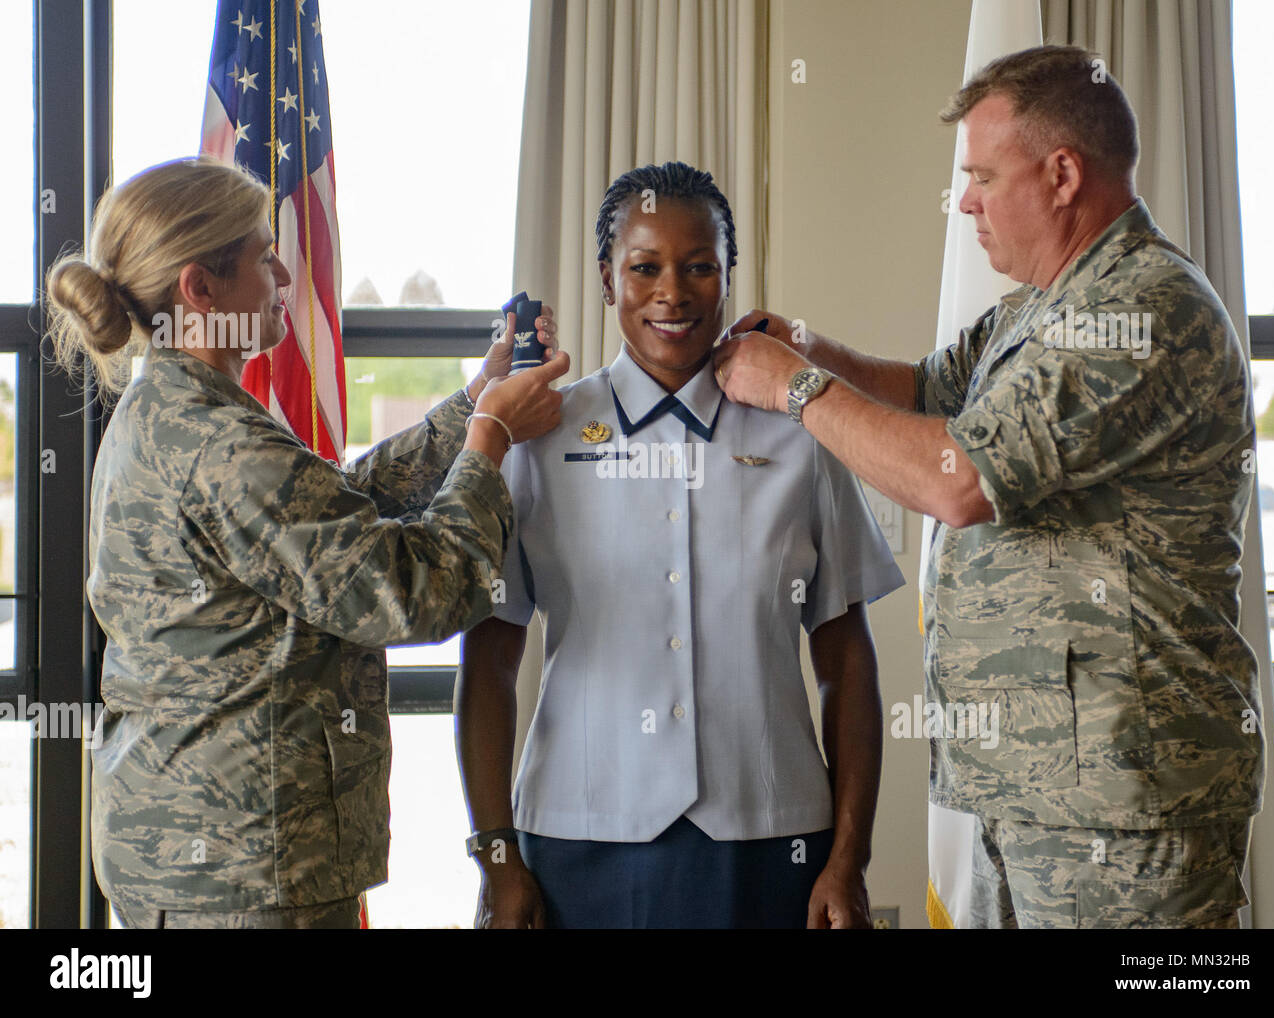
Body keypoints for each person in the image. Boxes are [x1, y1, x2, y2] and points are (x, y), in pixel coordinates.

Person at [713, 45, 1263, 928]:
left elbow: (958, 478)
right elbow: (932, 389)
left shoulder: (1141, 311)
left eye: (980, 175)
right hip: (1038, 797)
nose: (963, 200)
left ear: (1060, 174)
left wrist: (791, 387)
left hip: (1127, 818)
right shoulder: (1040, 304)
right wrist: (813, 349)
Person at [47, 157, 570, 929]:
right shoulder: (219, 442)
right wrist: (489, 439)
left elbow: (333, 507)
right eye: (263, 256)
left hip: (198, 852)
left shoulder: (175, 406)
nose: (286, 272)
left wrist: (472, 402)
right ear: (201, 289)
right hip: (245, 875)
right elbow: (414, 592)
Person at [456, 161, 905, 929]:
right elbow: (490, 662)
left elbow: (848, 661)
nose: (673, 291)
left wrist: (847, 860)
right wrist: (498, 860)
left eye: (700, 266)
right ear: (607, 281)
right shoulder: (538, 435)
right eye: (645, 268)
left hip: (772, 844)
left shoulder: (802, 430)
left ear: (728, 277)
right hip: (575, 841)